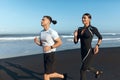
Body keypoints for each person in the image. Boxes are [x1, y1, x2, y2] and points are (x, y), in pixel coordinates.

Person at [34, 16, 67, 80]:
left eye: (43, 20)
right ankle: (63, 76)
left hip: (51, 54)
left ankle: (63, 76)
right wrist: (37, 42)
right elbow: (42, 44)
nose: (41, 21)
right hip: (45, 54)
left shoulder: (52, 32)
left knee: (46, 75)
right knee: (50, 73)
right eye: (41, 19)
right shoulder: (41, 32)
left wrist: (51, 47)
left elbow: (59, 42)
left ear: (48, 22)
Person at [74, 13, 103, 80]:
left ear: (89, 19)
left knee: (82, 70)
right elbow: (76, 42)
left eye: (84, 18)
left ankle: (97, 72)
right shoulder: (79, 29)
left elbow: (100, 37)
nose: (83, 19)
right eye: (82, 18)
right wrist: (75, 36)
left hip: (89, 51)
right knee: (87, 67)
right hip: (82, 51)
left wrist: (97, 46)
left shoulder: (92, 28)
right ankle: (97, 72)